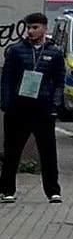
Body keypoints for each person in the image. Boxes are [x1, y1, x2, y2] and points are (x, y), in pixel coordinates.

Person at [1, 14, 65, 204]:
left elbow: (59, 81)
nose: (31, 31)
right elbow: (6, 79)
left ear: (45, 28)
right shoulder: (15, 51)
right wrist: (6, 103)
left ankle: (53, 191)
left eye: (35, 27)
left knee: (48, 152)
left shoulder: (54, 53)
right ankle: (7, 190)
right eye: (29, 27)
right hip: (19, 108)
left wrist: (54, 105)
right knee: (12, 151)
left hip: (43, 108)